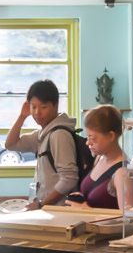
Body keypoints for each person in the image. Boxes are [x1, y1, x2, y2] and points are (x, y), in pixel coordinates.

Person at [5, 79, 78, 210]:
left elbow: (69, 179)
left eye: (43, 107)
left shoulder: (59, 135)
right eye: (33, 107)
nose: (37, 113)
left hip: (58, 212)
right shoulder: (43, 134)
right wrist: (22, 116)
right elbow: (11, 144)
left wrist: (41, 204)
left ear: (55, 105)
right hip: (48, 210)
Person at [64, 105, 133, 210]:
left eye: (92, 138)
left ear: (111, 136)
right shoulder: (99, 158)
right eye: (87, 137)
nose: (88, 142)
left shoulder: (122, 173)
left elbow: (129, 221)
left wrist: (87, 211)